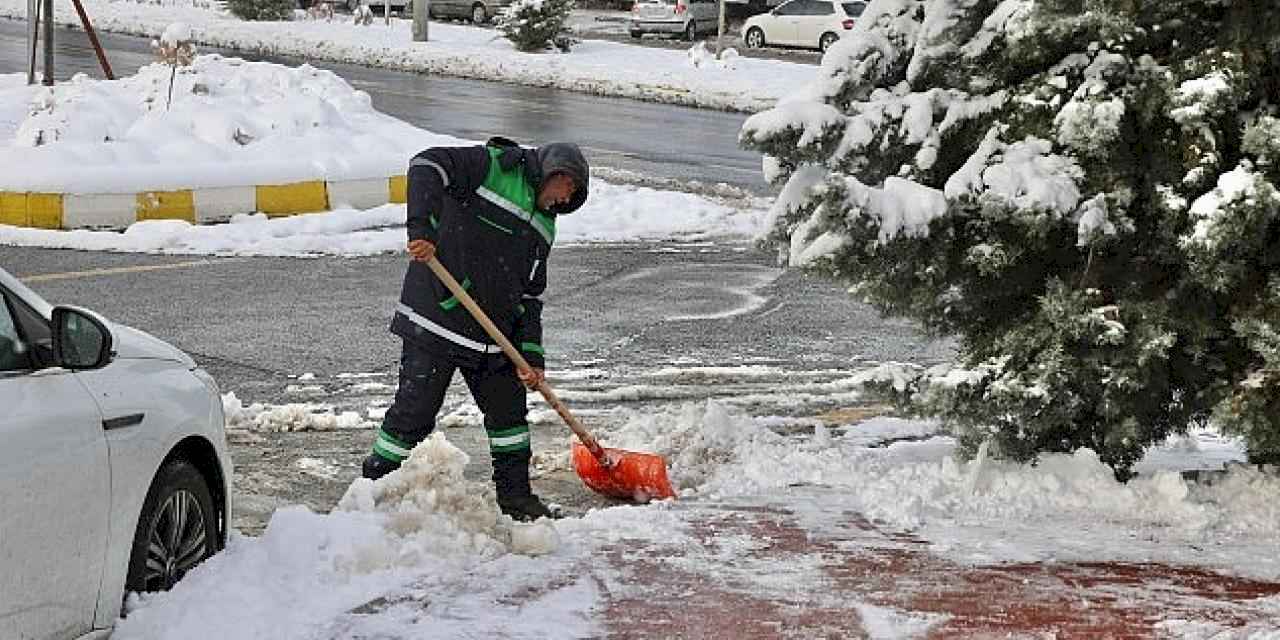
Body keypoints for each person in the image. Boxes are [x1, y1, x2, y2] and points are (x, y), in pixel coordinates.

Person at [361, 136, 589, 522]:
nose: (564, 202)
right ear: (558, 172)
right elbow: (427, 165)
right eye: (568, 191)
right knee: (413, 415)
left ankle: (517, 500)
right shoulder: (494, 166)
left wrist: (531, 357)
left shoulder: (546, 227)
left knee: (510, 421)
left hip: (494, 339)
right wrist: (423, 228)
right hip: (438, 318)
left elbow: (531, 298)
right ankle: (369, 490)